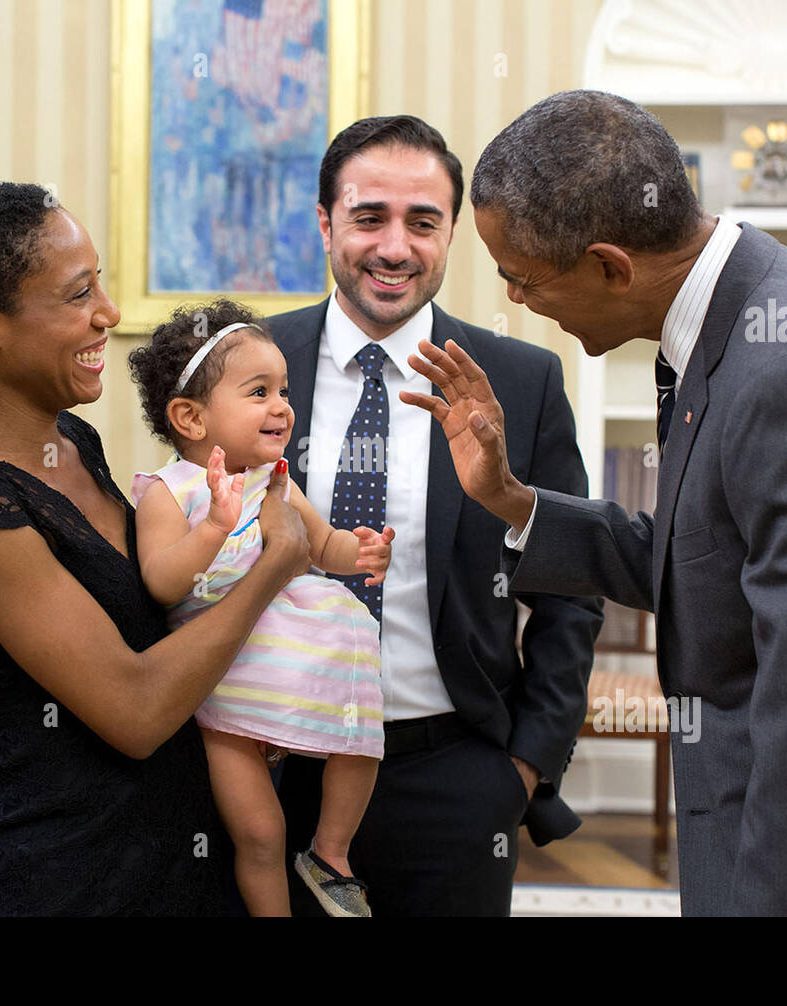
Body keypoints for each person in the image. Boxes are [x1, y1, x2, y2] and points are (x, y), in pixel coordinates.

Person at [404, 89, 787, 915]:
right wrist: (513, 500)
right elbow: (702, 561)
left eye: (522, 278)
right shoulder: (732, 313)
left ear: (611, 265)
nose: (514, 300)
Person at [0, 182, 312, 916]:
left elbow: (160, 611)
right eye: (79, 292)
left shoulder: (74, 445)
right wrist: (276, 566)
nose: (109, 315)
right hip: (72, 878)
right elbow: (136, 708)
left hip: (179, 857)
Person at [270, 115, 603, 916]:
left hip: (457, 776)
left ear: (453, 231)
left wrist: (524, 767)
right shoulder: (251, 362)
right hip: (272, 770)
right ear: (325, 223)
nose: (395, 247)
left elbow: (572, 588)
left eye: (423, 222)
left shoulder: (522, 382)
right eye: (368, 218)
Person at [127, 299, 394, 917]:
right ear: (190, 417)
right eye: (258, 391)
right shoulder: (169, 492)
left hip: (304, 657)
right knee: (259, 831)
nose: (282, 405)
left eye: (284, 389)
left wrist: (362, 552)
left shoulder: (276, 478)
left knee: (362, 736)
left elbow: (321, 545)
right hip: (225, 687)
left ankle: (331, 851)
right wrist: (214, 526)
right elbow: (164, 582)